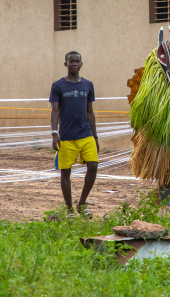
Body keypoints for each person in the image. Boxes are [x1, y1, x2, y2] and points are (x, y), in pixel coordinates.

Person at [49, 51, 99, 217]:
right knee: (65, 172)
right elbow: (55, 111)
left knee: (93, 166)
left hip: (86, 134)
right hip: (66, 137)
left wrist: (95, 136)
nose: (74, 64)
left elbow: (90, 112)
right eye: (71, 61)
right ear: (66, 64)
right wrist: (54, 132)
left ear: (81, 64)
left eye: (77, 61)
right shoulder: (58, 86)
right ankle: (69, 208)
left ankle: (82, 204)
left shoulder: (88, 85)